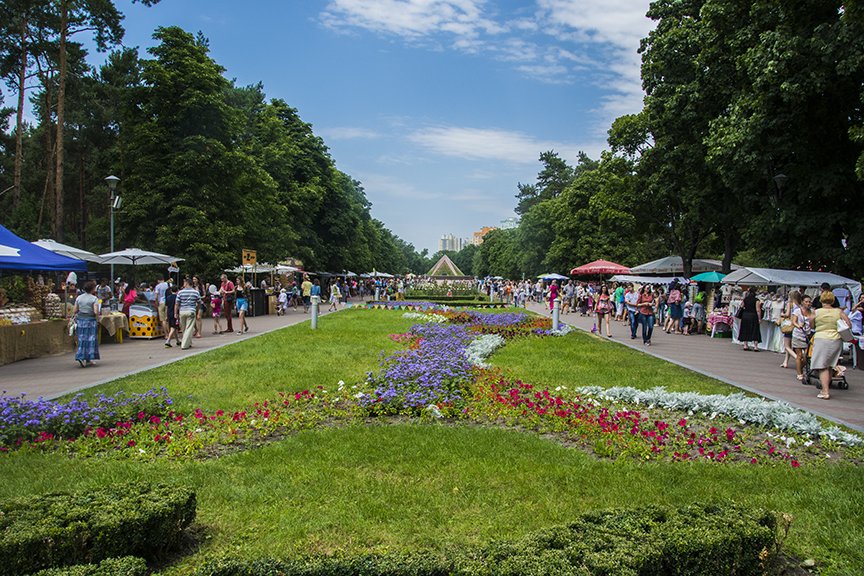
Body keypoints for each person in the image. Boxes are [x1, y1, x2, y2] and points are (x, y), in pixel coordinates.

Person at [810, 291, 851, 399]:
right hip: (836, 340)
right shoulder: (839, 311)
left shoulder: (816, 312)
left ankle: (825, 391)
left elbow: (812, 325)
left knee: (822, 366)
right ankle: (826, 386)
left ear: (821, 300)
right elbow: (848, 324)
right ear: (833, 300)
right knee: (830, 365)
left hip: (821, 339)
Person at [73, 280, 101, 367]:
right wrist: (97, 318)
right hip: (90, 321)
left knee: (82, 338)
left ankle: (83, 357)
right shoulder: (94, 299)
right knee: (91, 339)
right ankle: (86, 357)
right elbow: (96, 311)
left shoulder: (79, 298)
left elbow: (75, 310)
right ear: (92, 289)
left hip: (81, 320)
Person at [176, 277, 202, 350]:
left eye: (184, 282)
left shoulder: (180, 292)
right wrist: (198, 311)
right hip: (191, 310)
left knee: (183, 328)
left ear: (187, 283)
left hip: (182, 311)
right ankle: (185, 344)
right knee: (189, 328)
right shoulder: (195, 292)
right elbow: (199, 302)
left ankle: (187, 343)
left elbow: (177, 303)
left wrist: (176, 313)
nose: (183, 284)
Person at [791, 294, 813, 381]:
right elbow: (793, 321)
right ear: (802, 302)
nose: (808, 303)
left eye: (809, 302)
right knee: (799, 355)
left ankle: (799, 367)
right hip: (798, 335)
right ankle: (799, 373)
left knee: (807, 355)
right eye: (806, 302)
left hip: (808, 335)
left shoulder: (812, 311)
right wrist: (798, 325)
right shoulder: (797, 311)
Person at [780, 291, 801, 369]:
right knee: (790, 345)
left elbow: (787, 314)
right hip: (797, 326)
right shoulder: (800, 305)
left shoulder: (790, 304)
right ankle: (785, 361)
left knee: (787, 346)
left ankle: (797, 358)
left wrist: (782, 314)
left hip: (789, 325)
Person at [738, 286, 763, 352]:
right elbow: (758, 310)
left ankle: (745, 345)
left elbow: (741, 306)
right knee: (755, 330)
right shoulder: (756, 300)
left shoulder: (745, 299)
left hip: (745, 315)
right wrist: (759, 318)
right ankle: (755, 346)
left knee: (745, 329)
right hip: (753, 315)